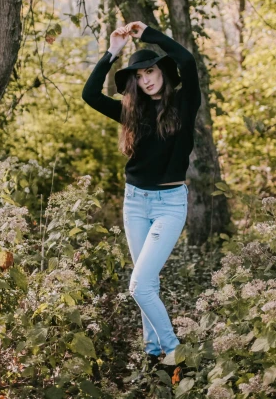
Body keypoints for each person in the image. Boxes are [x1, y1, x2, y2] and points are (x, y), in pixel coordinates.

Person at [81, 20, 201, 370]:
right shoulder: (132, 113)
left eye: (150, 71)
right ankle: (153, 354)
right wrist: (113, 50)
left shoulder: (184, 103)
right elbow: (89, 95)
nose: (146, 79)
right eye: (139, 76)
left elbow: (188, 61)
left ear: (162, 71)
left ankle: (176, 350)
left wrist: (147, 33)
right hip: (134, 202)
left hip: (169, 203)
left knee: (139, 285)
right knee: (148, 281)